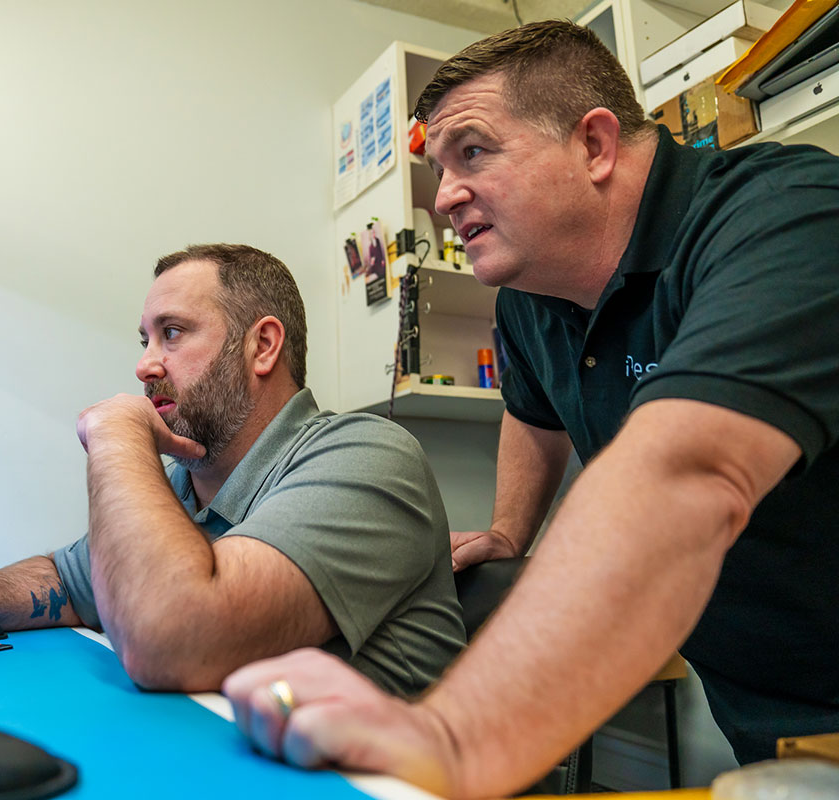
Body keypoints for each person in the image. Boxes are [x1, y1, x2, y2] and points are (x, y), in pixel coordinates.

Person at [223, 21, 839, 798]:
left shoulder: (787, 215)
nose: (444, 196)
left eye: (472, 152)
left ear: (594, 145)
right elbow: (533, 409)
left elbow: (689, 471)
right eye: (439, 168)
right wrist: (513, 527)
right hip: (766, 711)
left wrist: (451, 736)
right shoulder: (529, 301)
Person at [0, 243, 465, 696]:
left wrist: (117, 433)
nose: (144, 365)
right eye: (145, 339)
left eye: (171, 334)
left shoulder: (368, 458)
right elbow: (70, 578)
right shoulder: (185, 485)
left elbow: (171, 639)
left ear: (263, 346)